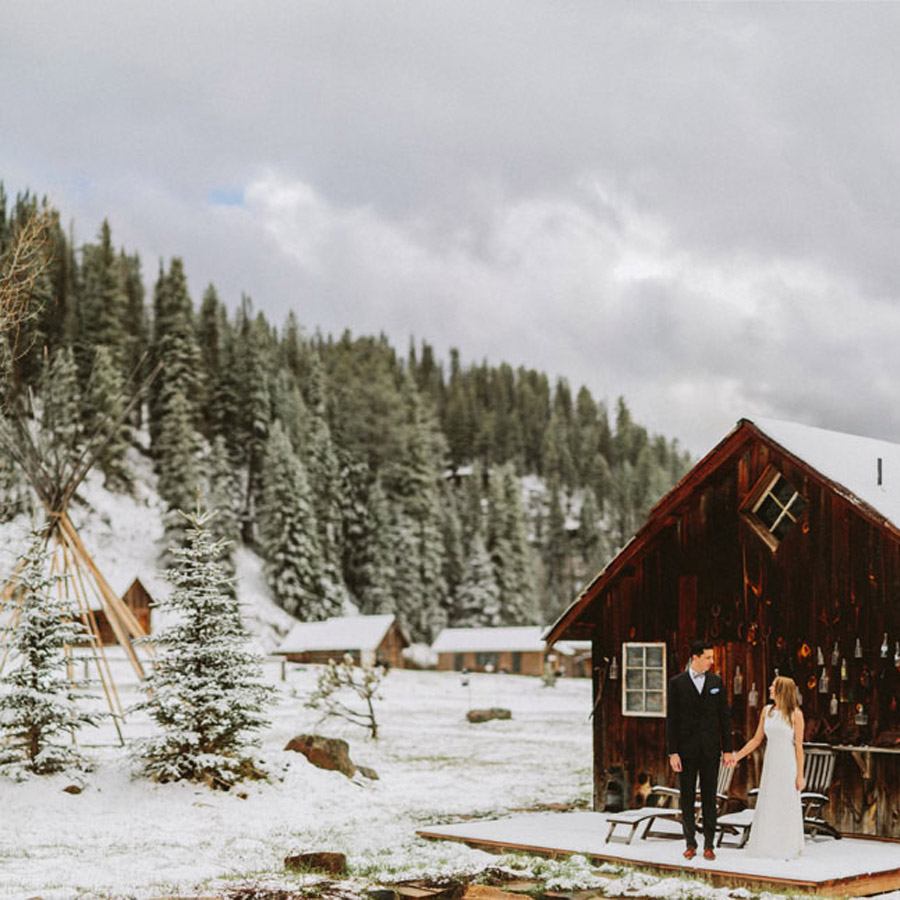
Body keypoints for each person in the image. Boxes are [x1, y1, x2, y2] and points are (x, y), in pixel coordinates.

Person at [666, 640, 735, 861]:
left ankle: (709, 844)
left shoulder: (716, 682)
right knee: (686, 797)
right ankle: (690, 842)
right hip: (685, 751)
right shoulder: (677, 683)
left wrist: (727, 750)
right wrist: (673, 752)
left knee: (709, 797)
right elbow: (672, 720)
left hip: (710, 749)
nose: (712, 662)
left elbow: (724, 717)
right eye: (708, 657)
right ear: (695, 657)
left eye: (712, 658)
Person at [731, 675, 805, 859]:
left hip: (787, 763)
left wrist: (800, 775)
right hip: (772, 762)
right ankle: (767, 844)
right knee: (769, 799)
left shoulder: (795, 714)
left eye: (773, 686)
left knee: (785, 801)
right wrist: (737, 756)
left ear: (782, 690)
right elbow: (757, 739)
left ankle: (786, 845)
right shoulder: (767, 711)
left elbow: (798, 746)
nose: (770, 689)